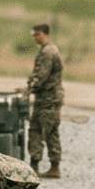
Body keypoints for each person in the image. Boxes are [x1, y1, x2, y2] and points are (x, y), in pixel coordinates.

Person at [25, 23, 65, 177]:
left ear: (45, 34)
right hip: (51, 98)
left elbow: (41, 76)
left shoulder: (48, 52)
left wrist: (28, 90)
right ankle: (55, 167)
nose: (35, 38)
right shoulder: (50, 49)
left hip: (47, 99)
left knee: (36, 131)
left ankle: (34, 166)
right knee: (51, 132)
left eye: (37, 35)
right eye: (33, 35)